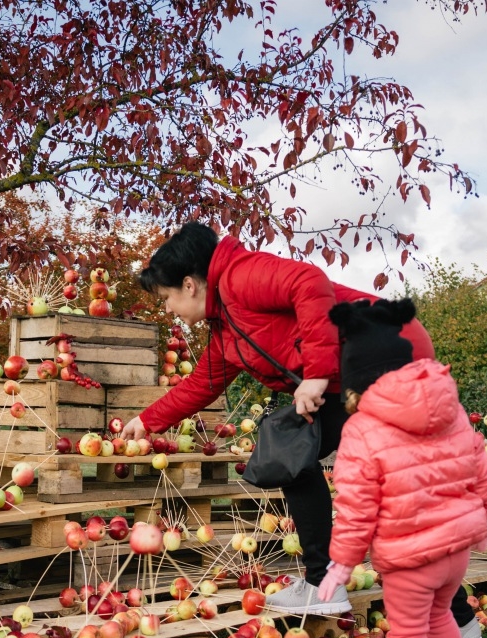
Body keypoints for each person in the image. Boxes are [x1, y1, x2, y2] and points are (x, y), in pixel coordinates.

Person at [120, 222, 435, 615]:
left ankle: (452, 617)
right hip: (350, 373)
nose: (168, 308)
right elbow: (203, 384)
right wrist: (146, 421)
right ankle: (326, 586)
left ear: (189, 284)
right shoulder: (224, 329)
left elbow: (309, 281)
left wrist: (316, 374)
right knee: (288, 450)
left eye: (166, 297)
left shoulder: (240, 276)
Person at [316, 297, 487, 638]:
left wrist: (342, 563)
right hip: (455, 551)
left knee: (409, 633)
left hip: (409, 557)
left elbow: (356, 506)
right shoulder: (450, 408)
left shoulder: (361, 428)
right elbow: (480, 464)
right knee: (440, 614)